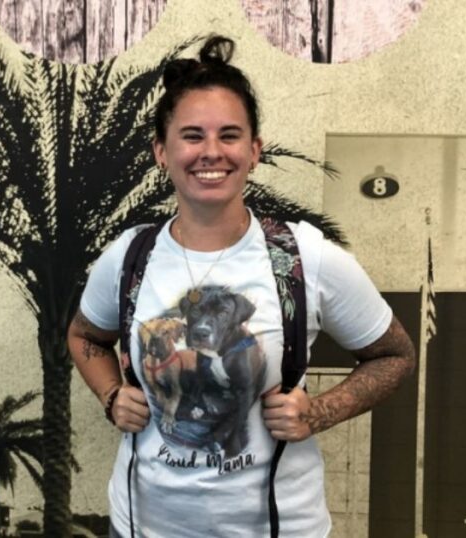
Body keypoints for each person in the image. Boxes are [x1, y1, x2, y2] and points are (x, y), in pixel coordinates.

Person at [67, 35, 416, 537]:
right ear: (161, 152)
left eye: (229, 135)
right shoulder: (129, 257)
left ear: (254, 151)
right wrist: (109, 395)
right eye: (191, 136)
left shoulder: (302, 257)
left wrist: (317, 412)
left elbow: (395, 355)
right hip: (145, 525)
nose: (211, 152)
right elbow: (84, 336)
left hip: (278, 527)